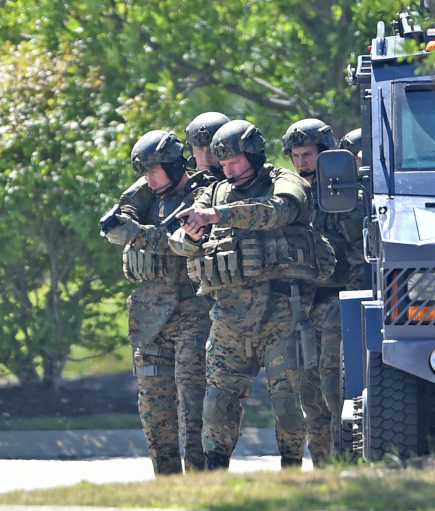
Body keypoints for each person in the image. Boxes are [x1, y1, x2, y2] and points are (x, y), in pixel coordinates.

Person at [169, 119, 335, 470]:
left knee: (287, 401)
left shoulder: (282, 182)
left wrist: (218, 215)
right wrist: (193, 235)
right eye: (223, 165)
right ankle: (216, 472)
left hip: (282, 311)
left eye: (234, 163)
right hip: (229, 316)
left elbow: (281, 210)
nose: (228, 171)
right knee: (217, 402)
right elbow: (180, 242)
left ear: (255, 156)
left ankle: (291, 469)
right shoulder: (213, 192)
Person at [101, 129, 213, 474]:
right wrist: (123, 224)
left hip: (192, 310)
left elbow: (184, 242)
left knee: (194, 402)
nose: (148, 180)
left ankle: (200, 481)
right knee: (154, 407)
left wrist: (136, 235)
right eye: (144, 174)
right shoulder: (148, 195)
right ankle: (166, 481)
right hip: (150, 317)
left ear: (172, 165)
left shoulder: (201, 195)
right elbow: (122, 215)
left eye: (153, 172)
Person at [283, 118, 366, 464]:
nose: (302, 162)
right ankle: (323, 469)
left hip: (338, 307)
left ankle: (345, 465)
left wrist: (351, 303)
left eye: (309, 154)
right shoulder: (290, 197)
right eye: (296, 155)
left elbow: (362, 257)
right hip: (302, 310)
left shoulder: (347, 198)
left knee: (336, 393)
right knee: (309, 396)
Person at [185, 112, 230, 181]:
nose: (205, 158)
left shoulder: (241, 179)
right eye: (199, 149)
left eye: (212, 150)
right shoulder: (181, 181)